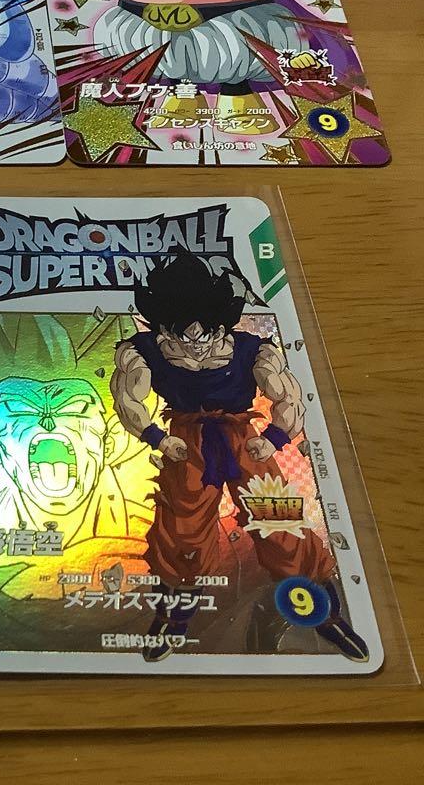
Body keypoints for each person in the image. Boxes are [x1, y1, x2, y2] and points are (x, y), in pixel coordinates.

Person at [110, 249, 368, 662]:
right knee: (181, 527)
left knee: (277, 516)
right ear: (163, 325)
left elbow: (287, 396)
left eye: (204, 332)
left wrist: (274, 438)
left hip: (243, 439)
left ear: (220, 322)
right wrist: (157, 438)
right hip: (186, 441)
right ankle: (174, 614)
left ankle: (323, 610)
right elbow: (128, 399)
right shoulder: (143, 351)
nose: (194, 342)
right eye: (181, 334)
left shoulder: (252, 349)